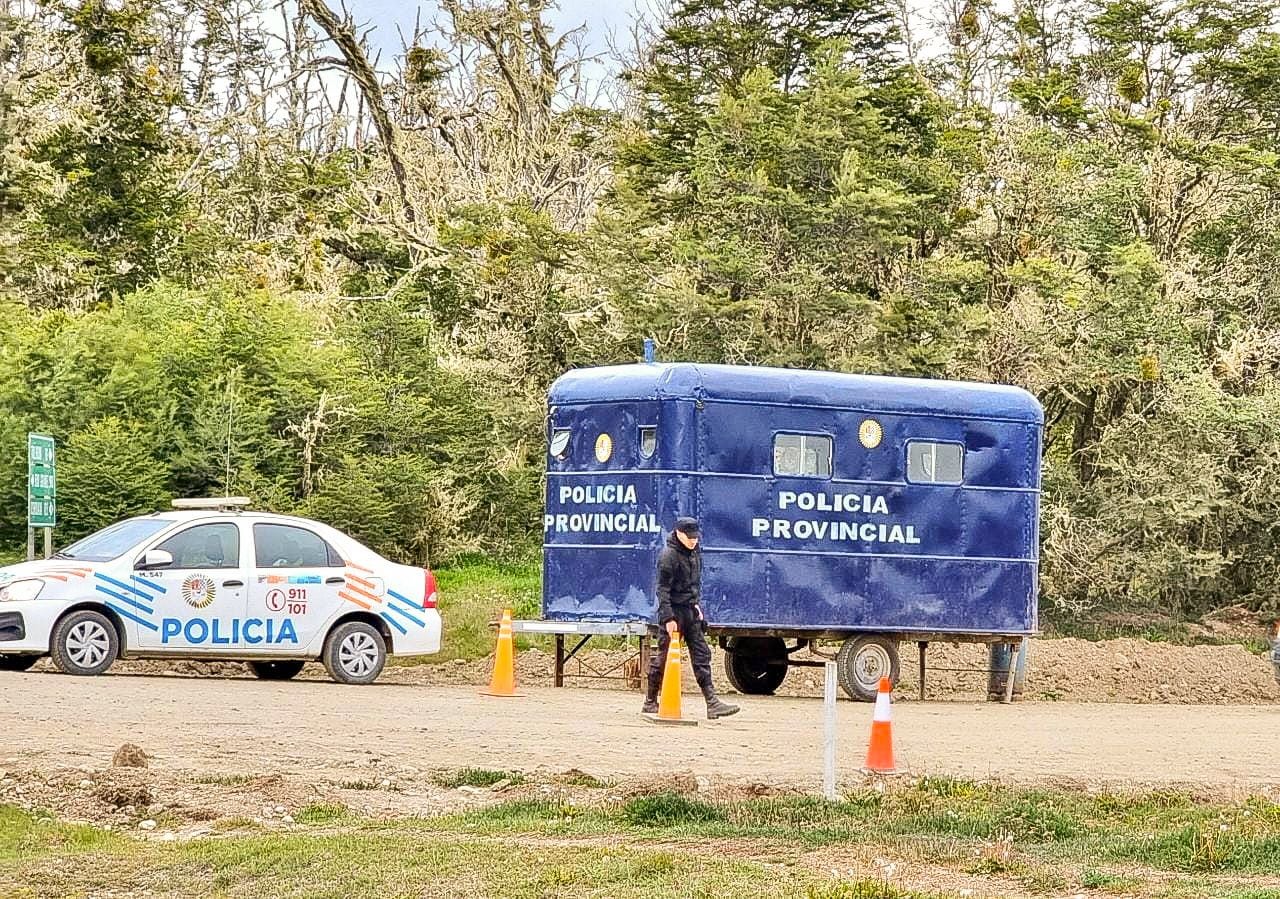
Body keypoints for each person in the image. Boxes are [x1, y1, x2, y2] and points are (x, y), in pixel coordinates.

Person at [642, 517, 740, 719]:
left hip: (689, 610)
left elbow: (693, 583)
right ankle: (650, 701)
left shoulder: (694, 552)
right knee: (663, 657)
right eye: (689, 537)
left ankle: (712, 703)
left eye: (695, 537)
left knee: (701, 654)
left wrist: (696, 605)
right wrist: (668, 618)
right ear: (678, 533)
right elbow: (662, 590)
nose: (693, 541)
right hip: (674, 612)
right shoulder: (668, 556)